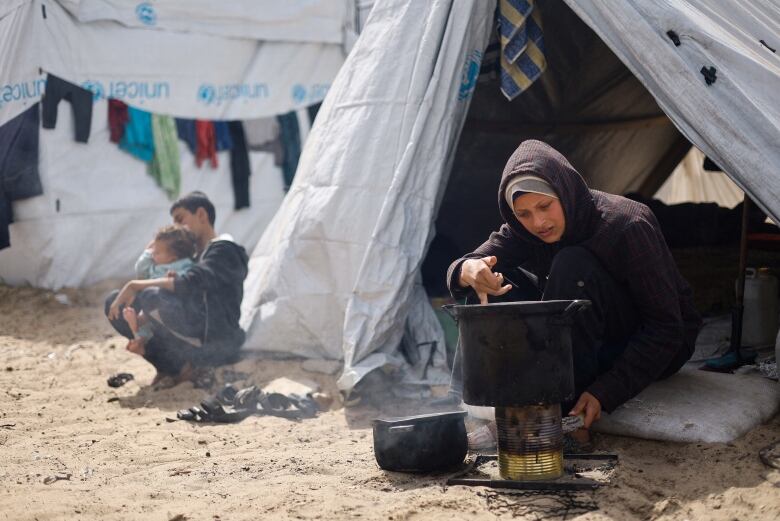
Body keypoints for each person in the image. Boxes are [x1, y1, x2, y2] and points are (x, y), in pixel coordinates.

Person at [447, 140, 702, 431]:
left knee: (573, 263)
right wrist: (467, 269)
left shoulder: (628, 224)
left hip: (642, 342)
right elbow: (472, 261)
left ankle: (557, 403)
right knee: (489, 277)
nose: (539, 222)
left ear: (564, 192)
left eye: (545, 206)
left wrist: (605, 392)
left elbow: (667, 329)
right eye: (524, 214)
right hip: (579, 339)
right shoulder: (523, 230)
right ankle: (469, 406)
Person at [105, 191, 249, 384]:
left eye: (180, 220)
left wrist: (134, 285)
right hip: (192, 340)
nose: (177, 228)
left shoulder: (224, 250)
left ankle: (192, 365)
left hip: (218, 345)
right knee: (116, 303)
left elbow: (191, 282)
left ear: (201, 215)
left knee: (150, 296)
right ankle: (176, 368)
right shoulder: (191, 257)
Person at [121, 224, 198, 355]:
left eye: (156, 252)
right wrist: (147, 252)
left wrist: (175, 279)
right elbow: (140, 269)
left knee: (149, 305)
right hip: (152, 306)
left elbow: (186, 284)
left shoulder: (185, 266)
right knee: (143, 306)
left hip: (174, 311)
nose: (152, 255)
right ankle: (139, 336)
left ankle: (139, 333)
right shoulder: (156, 265)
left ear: (172, 257)